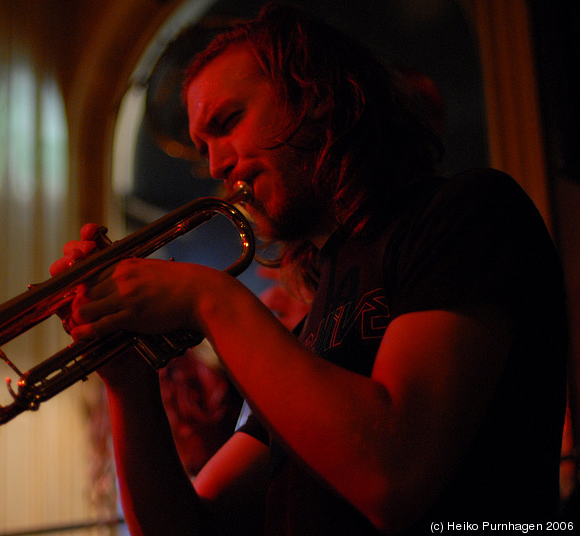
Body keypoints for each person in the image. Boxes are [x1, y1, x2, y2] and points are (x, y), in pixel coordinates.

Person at [50, 3, 568, 535]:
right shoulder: (306, 331)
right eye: (203, 147)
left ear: (315, 97)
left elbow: (393, 475)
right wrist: (128, 381)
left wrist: (210, 299)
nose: (215, 166)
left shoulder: (467, 213)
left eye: (227, 123)